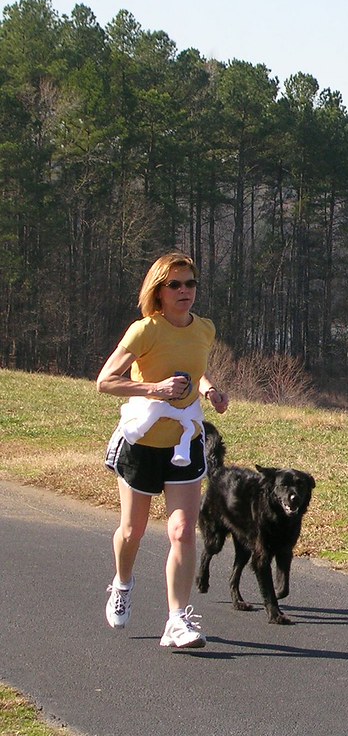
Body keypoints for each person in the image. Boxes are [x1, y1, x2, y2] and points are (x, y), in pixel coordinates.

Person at [96, 251, 229, 649]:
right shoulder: (144, 331)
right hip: (142, 444)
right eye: (175, 285)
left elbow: (196, 365)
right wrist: (154, 389)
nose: (185, 291)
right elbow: (105, 381)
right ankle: (122, 582)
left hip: (184, 443)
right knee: (132, 531)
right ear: (159, 290)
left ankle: (177, 620)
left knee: (184, 530)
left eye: (190, 284)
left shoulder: (204, 329)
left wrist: (209, 389)